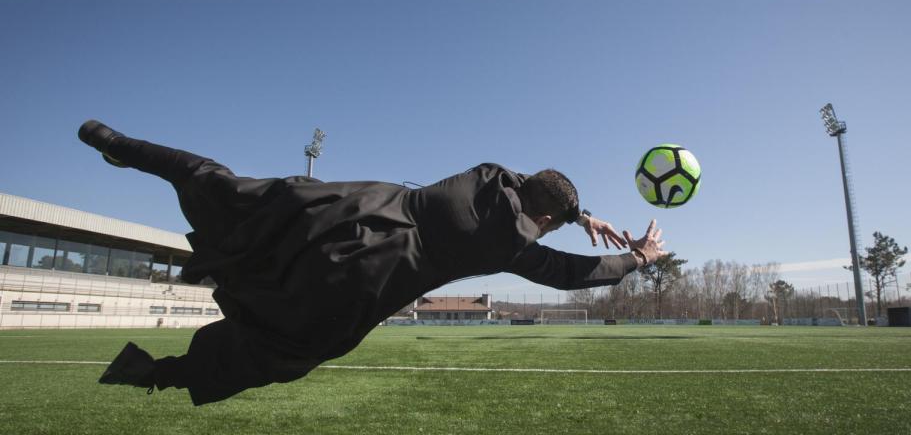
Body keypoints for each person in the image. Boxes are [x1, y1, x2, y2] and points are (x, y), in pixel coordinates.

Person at [79, 120, 667, 405]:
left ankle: (121, 144)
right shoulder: (508, 243)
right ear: (543, 222)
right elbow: (569, 273)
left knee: (230, 191)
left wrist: (581, 213)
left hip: (338, 212)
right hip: (360, 281)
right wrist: (636, 258)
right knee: (276, 352)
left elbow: (535, 187)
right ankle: (152, 372)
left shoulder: (488, 175)